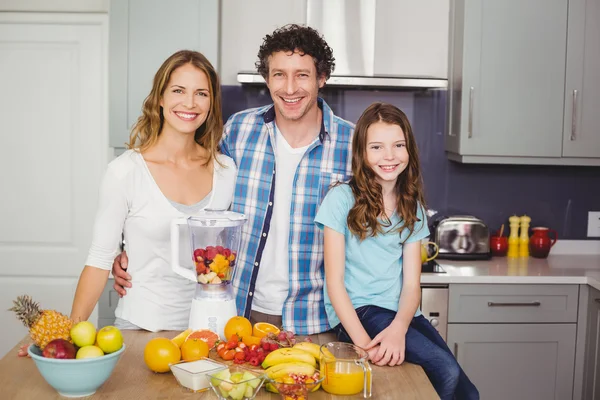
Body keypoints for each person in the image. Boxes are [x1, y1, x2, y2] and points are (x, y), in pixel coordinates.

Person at [111, 24, 354, 335]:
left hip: (318, 321)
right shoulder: (238, 131)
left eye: (302, 74)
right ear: (267, 79)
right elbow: (189, 190)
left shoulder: (353, 144)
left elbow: (378, 226)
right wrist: (130, 247)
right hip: (237, 315)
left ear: (322, 78)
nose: (289, 87)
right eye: (279, 74)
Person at [314, 102, 479, 399]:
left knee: (465, 387)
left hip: (402, 313)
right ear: (362, 153)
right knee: (445, 371)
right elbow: (334, 283)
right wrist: (363, 345)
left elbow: (412, 284)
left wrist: (400, 327)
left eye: (398, 145)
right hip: (362, 310)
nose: (389, 156)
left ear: (409, 150)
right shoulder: (340, 199)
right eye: (376, 147)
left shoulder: (411, 206)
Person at [70, 50, 237, 331]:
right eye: (178, 91)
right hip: (139, 328)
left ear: (211, 103)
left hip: (212, 333)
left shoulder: (226, 170)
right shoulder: (125, 172)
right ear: (160, 98)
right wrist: (66, 336)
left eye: (201, 93)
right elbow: (99, 261)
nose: (190, 103)